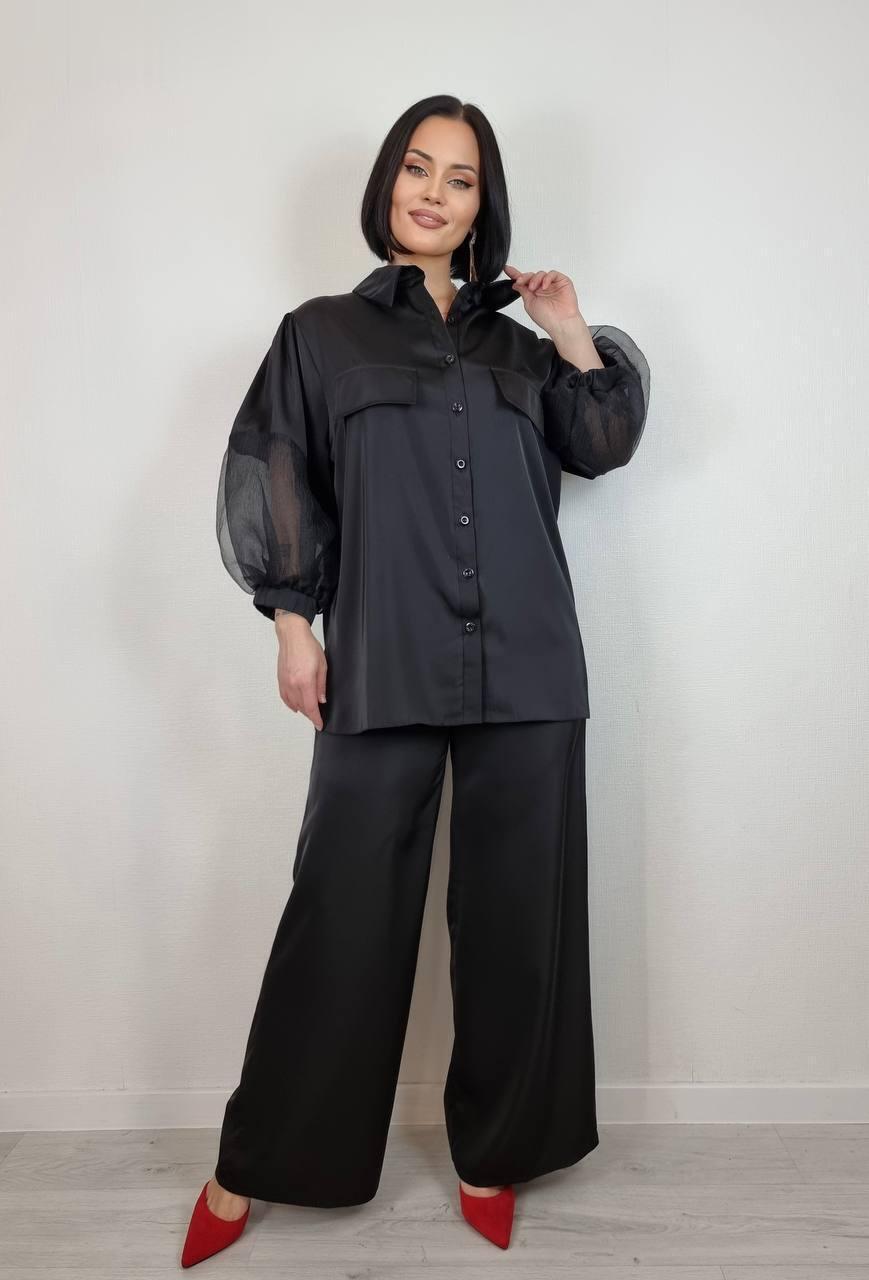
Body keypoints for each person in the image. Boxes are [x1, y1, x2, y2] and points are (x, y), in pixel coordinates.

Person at [181, 93, 650, 1268]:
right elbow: (280, 472)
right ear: (387, 182)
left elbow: (600, 441)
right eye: (417, 167)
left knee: (518, 920)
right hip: (382, 658)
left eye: (459, 177)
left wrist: (568, 326)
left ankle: (496, 1151)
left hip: (528, 664)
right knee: (339, 912)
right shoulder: (321, 335)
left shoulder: (521, 350)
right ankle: (259, 1158)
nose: (433, 192)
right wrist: (294, 627)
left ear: (483, 206)